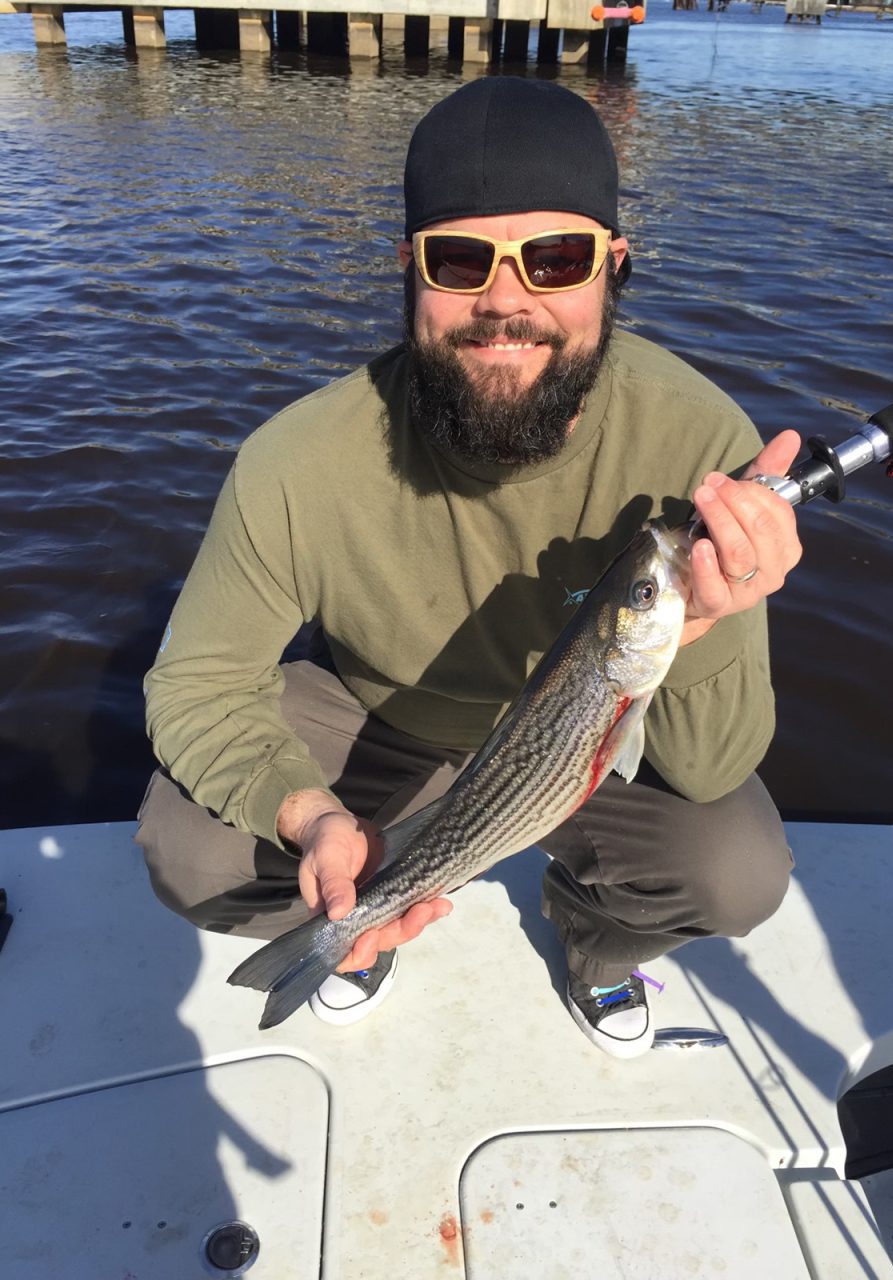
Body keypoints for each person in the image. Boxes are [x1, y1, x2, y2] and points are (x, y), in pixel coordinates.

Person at [136, 77, 801, 1059]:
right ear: (408, 271)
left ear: (614, 267)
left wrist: (703, 619)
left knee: (739, 868)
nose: (505, 300)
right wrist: (310, 811)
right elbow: (195, 685)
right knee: (187, 848)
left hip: (594, 739)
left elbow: (711, 764)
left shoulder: (699, 438)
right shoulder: (295, 458)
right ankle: (356, 928)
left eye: (556, 257)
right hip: (381, 715)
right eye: (459, 259)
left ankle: (594, 942)